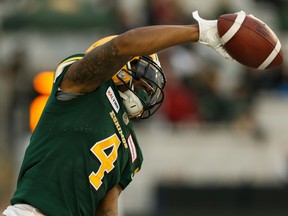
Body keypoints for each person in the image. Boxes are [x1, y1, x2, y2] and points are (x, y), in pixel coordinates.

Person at [3, 11, 233, 216]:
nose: (145, 93)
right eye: (142, 82)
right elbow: (125, 45)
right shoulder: (82, 89)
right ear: (120, 69)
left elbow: (107, 209)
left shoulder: (131, 149)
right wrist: (199, 31)